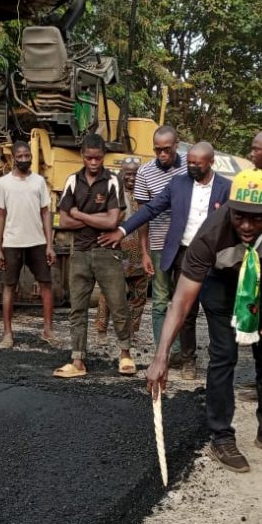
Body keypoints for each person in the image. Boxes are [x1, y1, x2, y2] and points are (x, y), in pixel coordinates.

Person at [146, 169, 262, 470]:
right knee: (224, 357)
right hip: (221, 287)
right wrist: (161, 355)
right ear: (227, 208)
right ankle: (221, 437)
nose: (247, 226)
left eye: (257, 218)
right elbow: (181, 300)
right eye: (239, 216)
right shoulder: (210, 235)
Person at [99, 142, 230, 381]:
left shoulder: (226, 187)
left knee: (216, 309)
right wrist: (122, 229)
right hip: (185, 255)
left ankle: (221, 359)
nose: (191, 167)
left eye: (197, 164)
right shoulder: (178, 184)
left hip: (215, 257)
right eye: (189, 162)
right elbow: (150, 209)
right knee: (186, 310)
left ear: (210, 162)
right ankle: (188, 359)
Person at [53, 134, 134, 378]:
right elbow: (63, 220)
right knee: (77, 307)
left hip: (107, 252)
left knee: (118, 303)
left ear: (103, 157)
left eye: (98, 158)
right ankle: (77, 360)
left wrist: (80, 214)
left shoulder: (112, 181)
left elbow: (112, 219)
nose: (93, 162)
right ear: (82, 155)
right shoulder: (72, 181)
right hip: (79, 252)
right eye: (89, 157)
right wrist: (93, 219)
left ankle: (125, 354)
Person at [132, 125, 188, 365]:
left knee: (184, 299)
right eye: (158, 150)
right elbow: (143, 215)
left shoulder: (190, 166)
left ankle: (185, 353)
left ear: (177, 145)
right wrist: (144, 252)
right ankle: (164, 352)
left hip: (186, 244)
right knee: (160, 299)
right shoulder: (145, 173)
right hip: (158, 245)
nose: (162, 155)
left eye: (167, 149)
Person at [0, 141, 56, 348]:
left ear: (31, 157)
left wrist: (49, 244)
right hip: (12, 242)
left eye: (27, 156)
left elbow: (46, 212)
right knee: (9, 286)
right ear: (13, 158)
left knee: (46, 284)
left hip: (37, 241)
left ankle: (47, 330)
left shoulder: (39, 182)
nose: (23, 159)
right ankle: (7, 334)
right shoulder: (3, 183)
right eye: (19, 156)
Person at [95, 157, 150, 341]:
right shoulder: (113, 195)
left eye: (136, 174)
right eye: (128, 174)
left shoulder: (146, 196)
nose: (132, 178)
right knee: (108, 294)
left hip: (140, 254)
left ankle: (132, 331)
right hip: (117, 251)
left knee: (139, 296)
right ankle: (101, 330)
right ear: (121, 174)